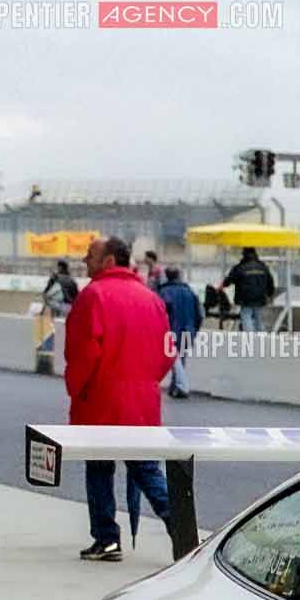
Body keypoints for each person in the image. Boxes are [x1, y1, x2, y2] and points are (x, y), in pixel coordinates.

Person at [64, 237, 173, 562]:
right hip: (142, 403)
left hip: (101, 400)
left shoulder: (93, 295)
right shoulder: (151, 299)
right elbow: (167, 353)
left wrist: (77, 390)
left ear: (109, 260)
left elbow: (82, 354)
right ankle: (183, 532)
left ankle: (107, 539)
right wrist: (145, 381)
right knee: (147, 471)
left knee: (99, 470)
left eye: (91, 255)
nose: (85, 260)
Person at [158, 266, 200, 399]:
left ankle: (179, 386)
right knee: (180, 358)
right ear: (179, 275)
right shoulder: (190, 292)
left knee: (173, 359)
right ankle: (176, 386)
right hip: (188, 329)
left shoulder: (163, 291)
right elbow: (199, 314)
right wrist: (195, 328)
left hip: (171, 330)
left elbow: (160, 313)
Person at [223, 246, 275, 334]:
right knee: (258, 318)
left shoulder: (240, 267)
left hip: (245, 298)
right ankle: (261, 339)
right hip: (260, 298)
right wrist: (270, 293)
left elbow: (230, 279)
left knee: (246, 317)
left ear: (244, 254)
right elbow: (270, 281)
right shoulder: (262, 266)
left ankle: (250, 339)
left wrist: (224, 284)